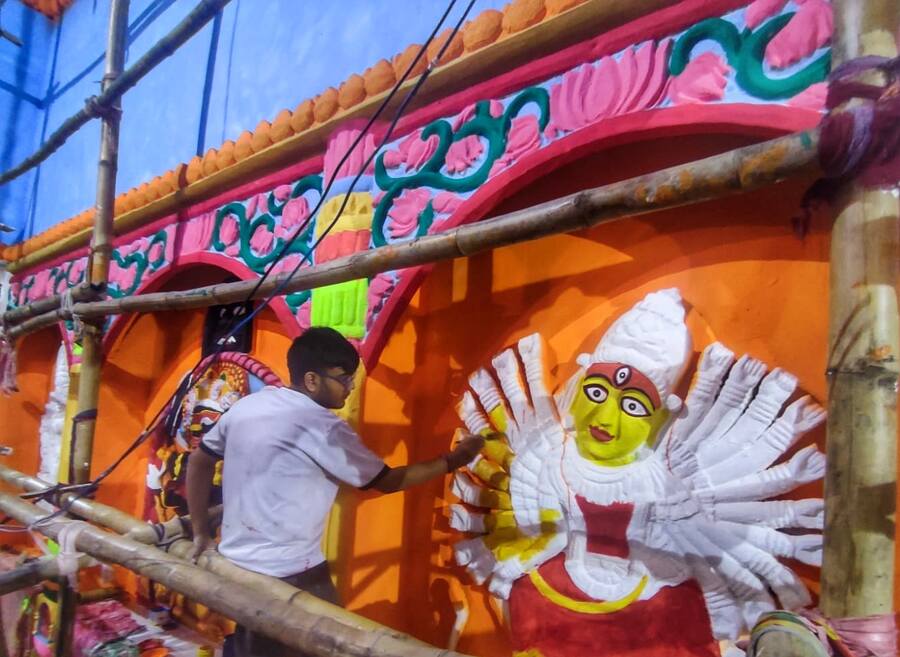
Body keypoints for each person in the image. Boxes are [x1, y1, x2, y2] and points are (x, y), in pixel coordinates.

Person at [186, 326, 484, 657]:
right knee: (324, 646)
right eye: (344, 378)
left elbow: (198, 460)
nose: (351, 386)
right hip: (290, 573)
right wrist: (456, 459)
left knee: (256, 643)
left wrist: (201, 532)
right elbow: (387, 481)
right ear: (312, 380)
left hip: (236, 563)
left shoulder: (249, 407)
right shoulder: (322, 426)